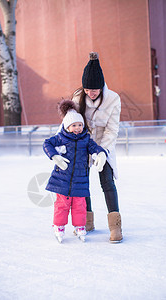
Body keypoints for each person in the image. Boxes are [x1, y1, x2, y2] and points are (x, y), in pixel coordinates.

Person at [72, 52, 123, 243]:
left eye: (94, 90)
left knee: (107, 181)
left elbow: (112, 130)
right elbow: (71, 123)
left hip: (104, 144)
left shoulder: (113, 99)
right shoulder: (78, 97)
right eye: (87, 89)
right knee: (82, 183)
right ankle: (87, 221)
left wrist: (101, 152)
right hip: (83, 144)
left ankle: (115, 226)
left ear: (101, 86)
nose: (90, 93)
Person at [43, 99, 107, 243]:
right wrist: (55, 156)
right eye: (74, 125)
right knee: (62, 205)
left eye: (79, 125)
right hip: (62, 179)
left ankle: (80, 226)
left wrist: (101, 154)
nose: (77, 128)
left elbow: (95, 148)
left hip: (80, 179)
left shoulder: (86, 139)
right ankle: (59, 226)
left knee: (79, 205)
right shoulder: (61, 138)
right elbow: (47, 143)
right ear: (67, 126)